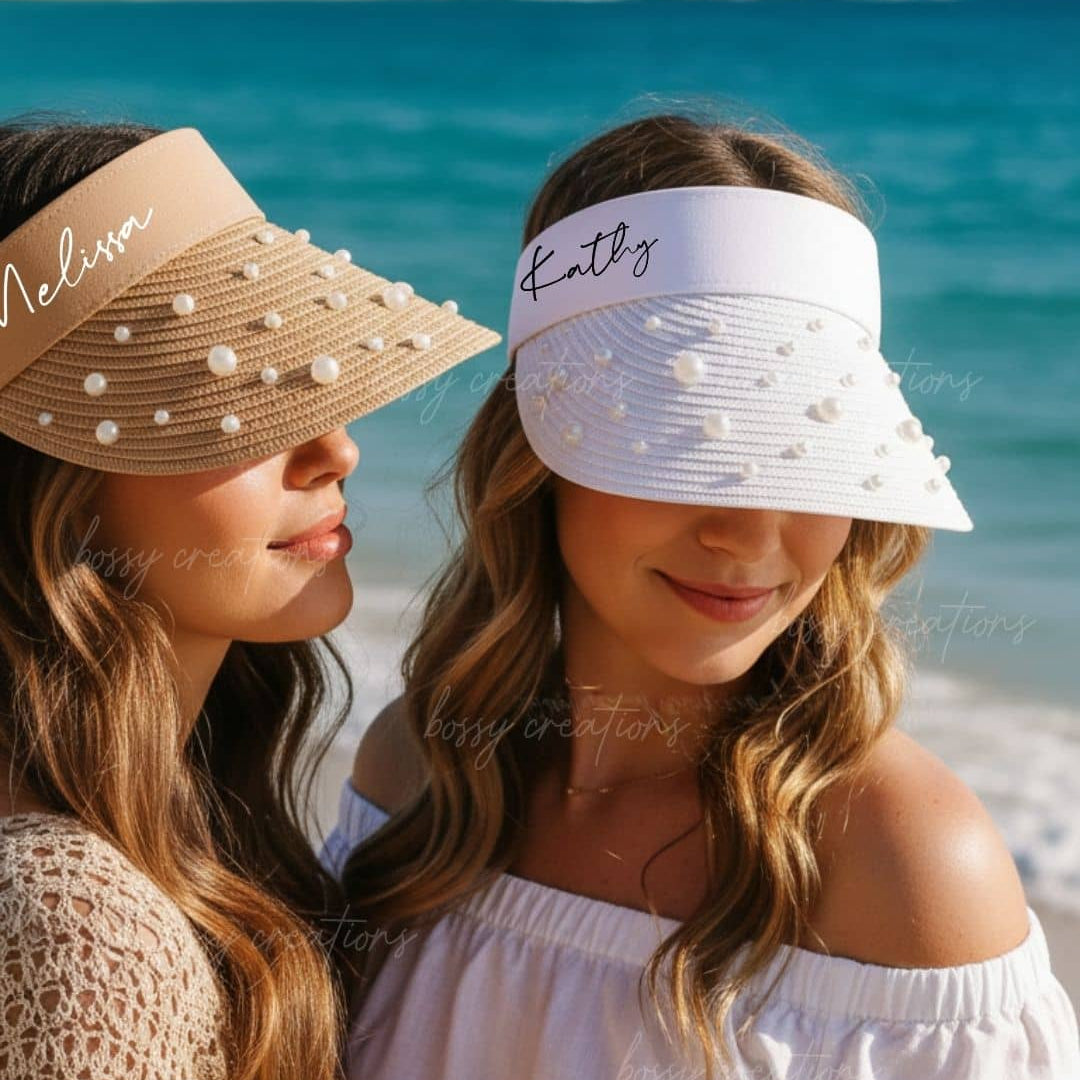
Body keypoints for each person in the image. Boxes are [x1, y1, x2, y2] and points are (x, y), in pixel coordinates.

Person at [320, 113, 1080, 1080]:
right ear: (535, 452)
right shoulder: (419, 772)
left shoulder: (902, 867)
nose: (752, 535)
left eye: (807, 450)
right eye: (685, 442)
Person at [0, 118, 500, 1080]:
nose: (336, 451)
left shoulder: (181, 820)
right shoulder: (76, 925)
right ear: (47, 486)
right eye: (214, 399)